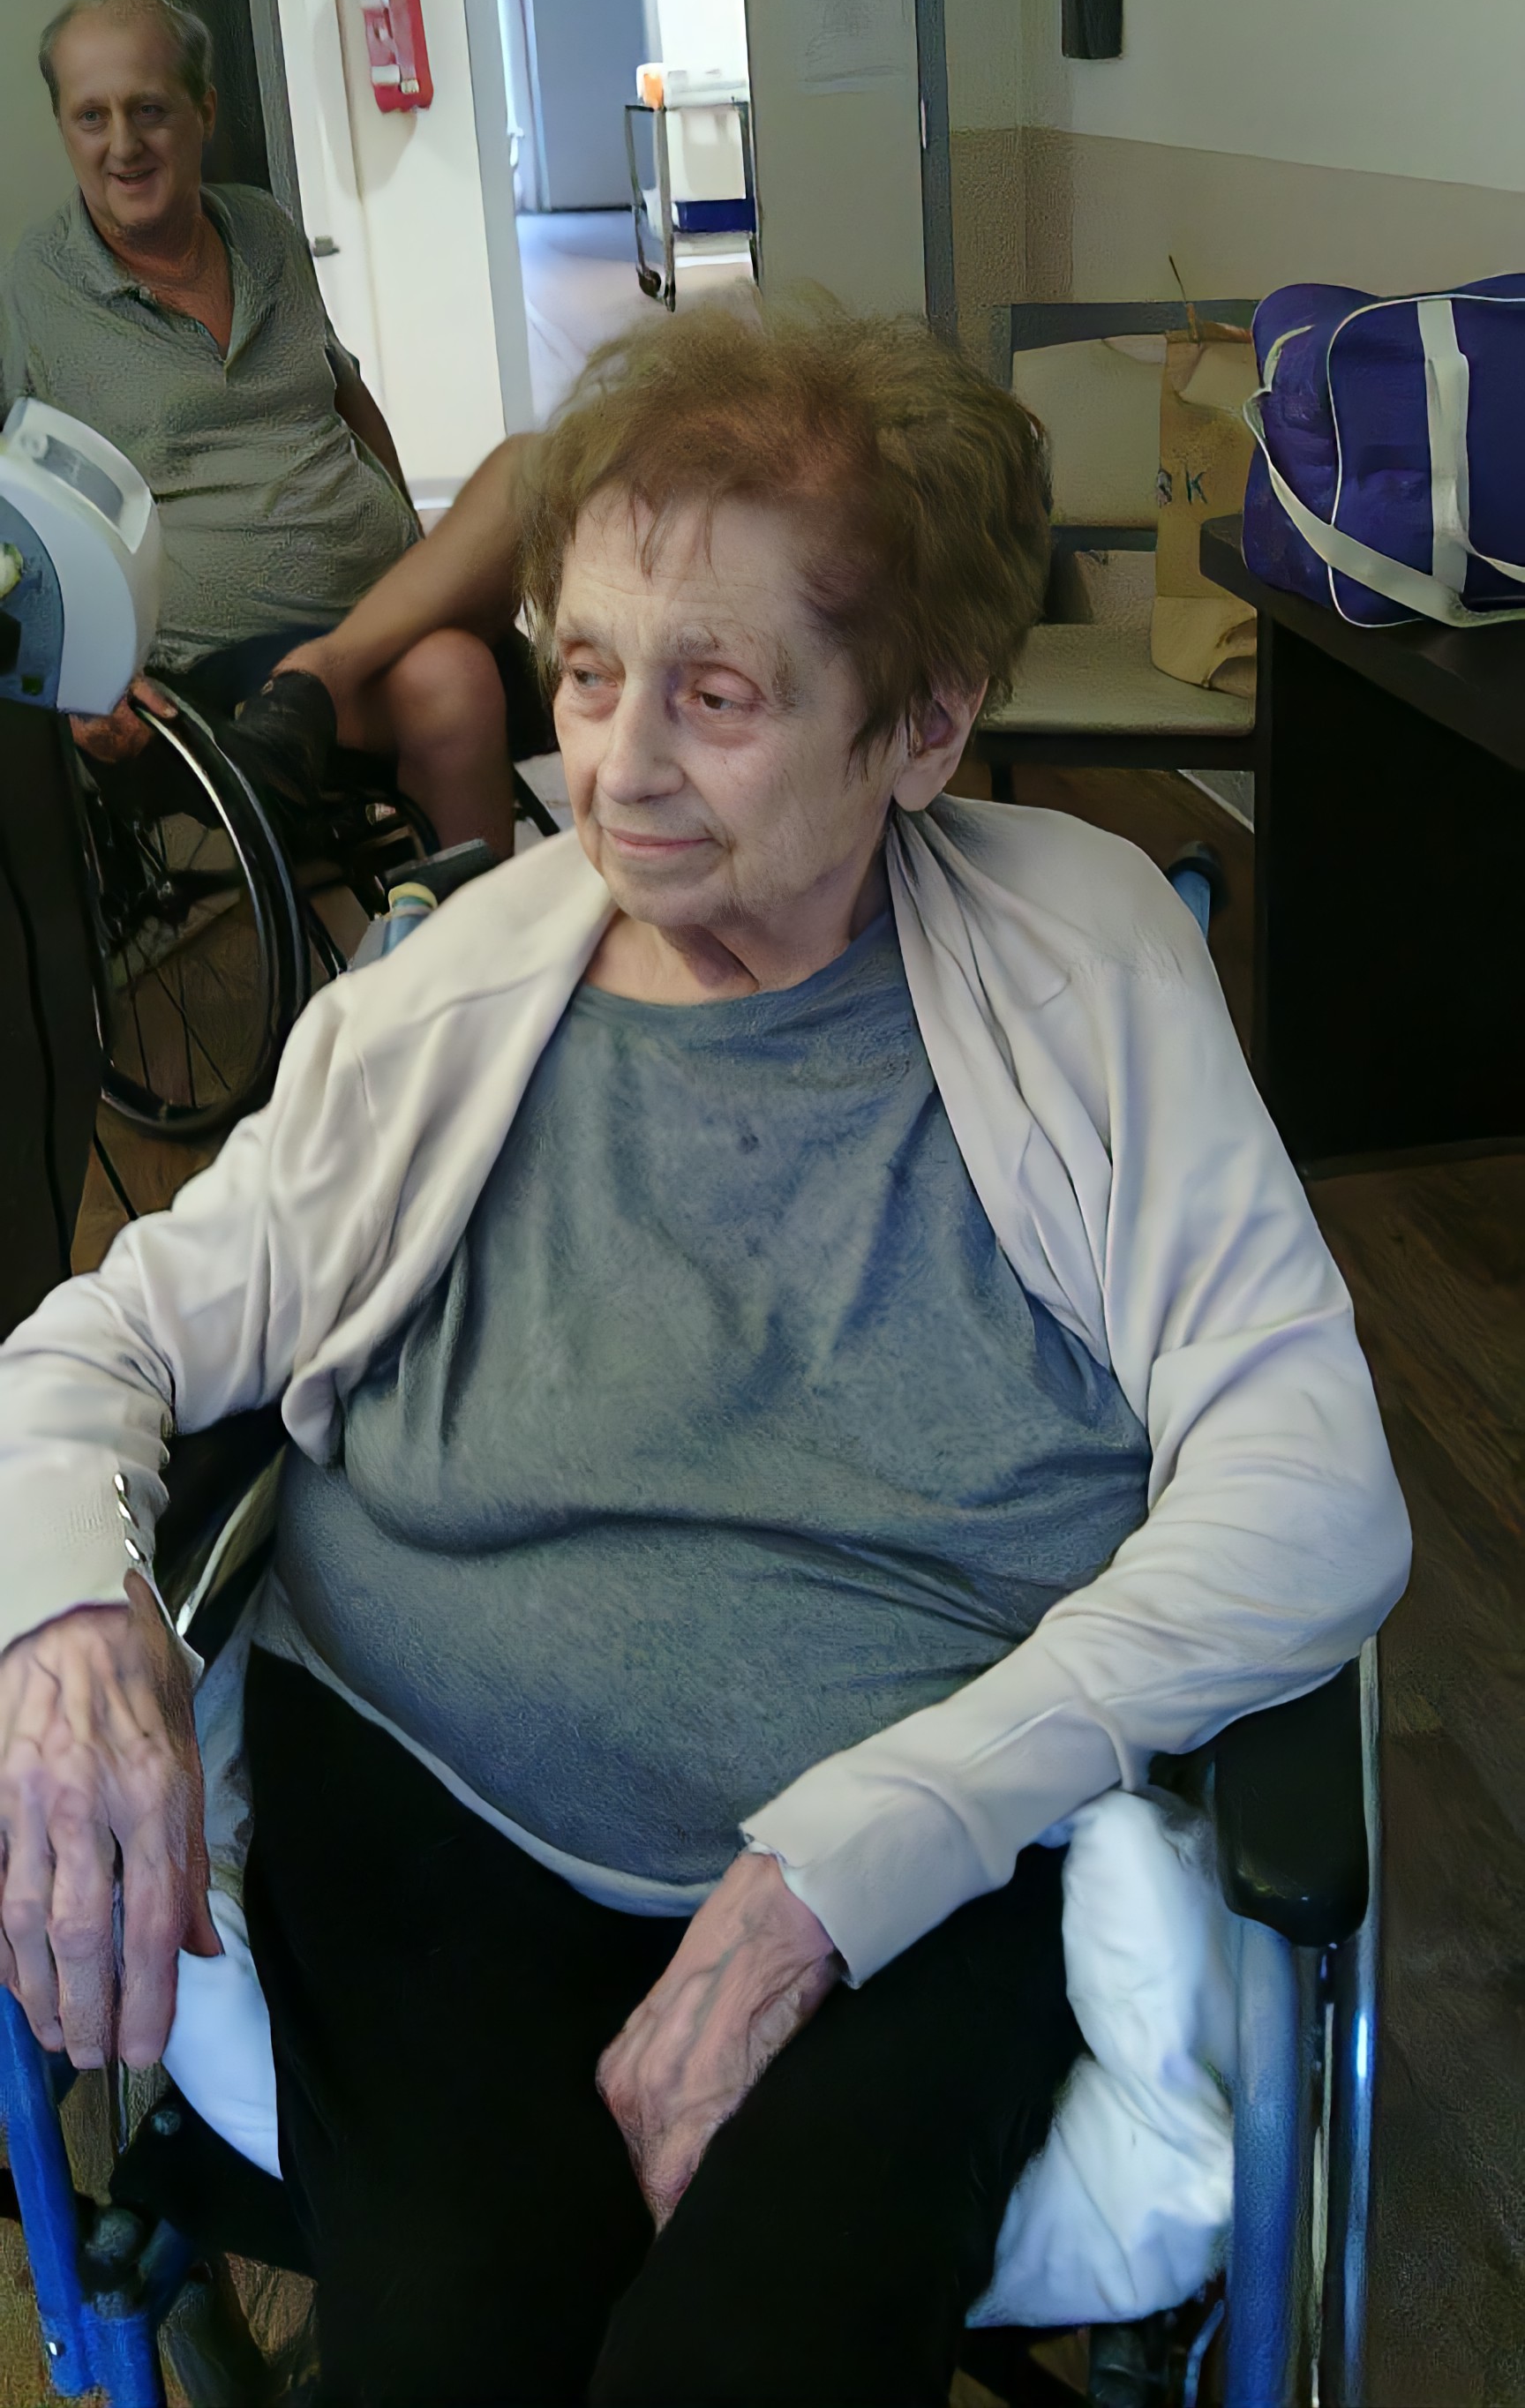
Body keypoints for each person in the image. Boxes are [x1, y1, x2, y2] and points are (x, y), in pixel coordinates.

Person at [0, 304, 1409, 2408]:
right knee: (451, 2352)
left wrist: (860, 1854)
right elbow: (100, 1334)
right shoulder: (451, 987)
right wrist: (63, 1615)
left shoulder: (1086, 962)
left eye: (717, 693)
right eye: (584, 671)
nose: (616, 768)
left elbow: (1311, 1491)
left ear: (922, 723)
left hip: (937, 1841)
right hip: (432, 1788)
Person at [1, 0, 537, 852]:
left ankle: (318, 679)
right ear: (64, 126)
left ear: (204, 112)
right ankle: (465, 946)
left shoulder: (264, 228)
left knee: (537, 466)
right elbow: (12, 511)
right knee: (456, 676)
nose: (123, 145)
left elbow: (344, 392)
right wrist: (73, 671)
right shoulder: (37, 285)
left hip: (377, 595)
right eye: (91, 116)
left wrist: (412, 538)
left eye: (149, 110)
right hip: (220, 655)